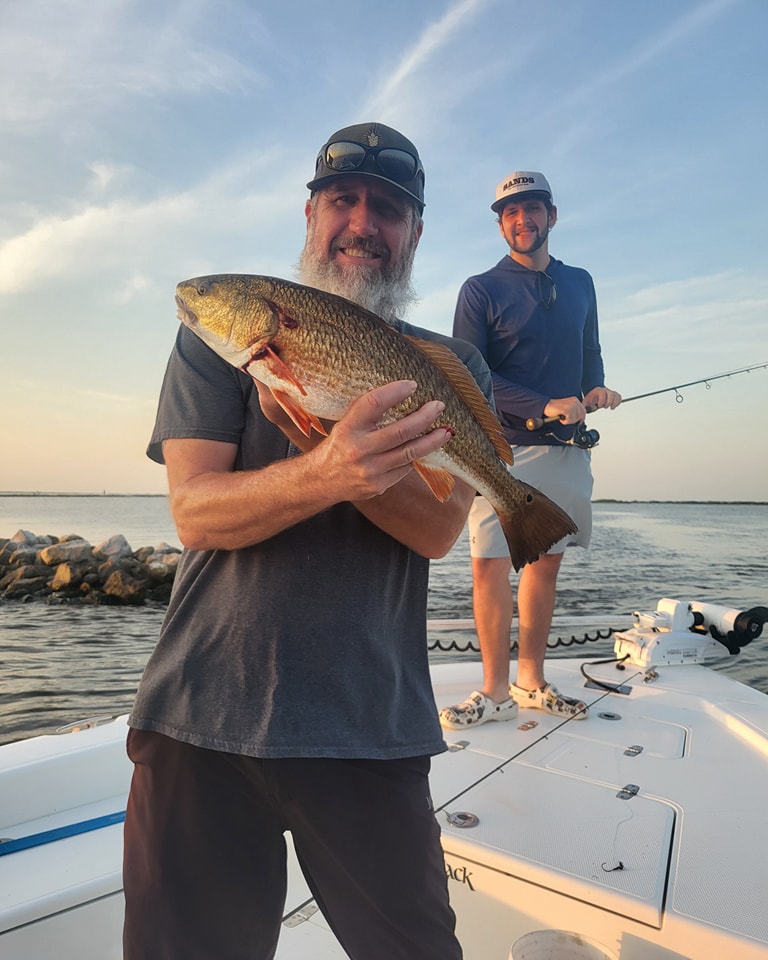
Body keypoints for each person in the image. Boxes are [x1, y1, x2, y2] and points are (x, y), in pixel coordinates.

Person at [122, 122, 492, 960]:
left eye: (390, 209)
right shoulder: (227, 337)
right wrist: (330, 472)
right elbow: (197, 513)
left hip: (370, 720)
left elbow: (439, 527)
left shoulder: (452, 360)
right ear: (310, 213)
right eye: (343, 199)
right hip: (198, 714)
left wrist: (354, 466)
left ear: (416, 234)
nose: (364, 222)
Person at [439, 171, 621, 730]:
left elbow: (589, 349)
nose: (523, 220)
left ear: (552, 216)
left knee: (544, 569)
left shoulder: (582, 282)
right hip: (501, 452)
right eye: (510, 213)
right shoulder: (479, 288)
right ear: (501, 226)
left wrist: (595, 388)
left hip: (568, 450)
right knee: (490, 567)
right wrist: (543, 404)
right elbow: (471, 375)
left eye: (532, 209)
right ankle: (493, 690)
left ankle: (531, 682)